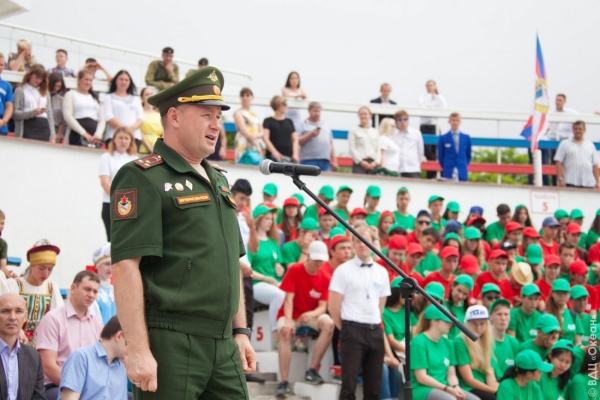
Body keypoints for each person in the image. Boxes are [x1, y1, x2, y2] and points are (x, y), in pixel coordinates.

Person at [110, 68, 255, 398]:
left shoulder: (219, 180)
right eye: (206, 115)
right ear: (174, 116)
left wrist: (240, 331)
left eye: (218, 116)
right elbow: (125, 264)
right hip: (172, 341)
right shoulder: (143, 177)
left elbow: (231, 263)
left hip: (224, 344)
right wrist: (138, 349)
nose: (216, 125)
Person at [328, 226, 395, 400]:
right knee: (348, 386)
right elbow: (333, 307)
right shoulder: (342, 270)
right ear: (353, 244)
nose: (362, 245)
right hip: (352, 329)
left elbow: (381, 305)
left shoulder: (382, 272)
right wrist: (347, 328)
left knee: (373, 388)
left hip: (374, 330)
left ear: (372, 242)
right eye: (358, 241)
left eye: (365, 240)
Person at [275, 241, 334, 396]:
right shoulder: (295, 269)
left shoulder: (326, 277)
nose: (318, 263)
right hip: (291, 314)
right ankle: (284, 381)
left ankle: (312, 369)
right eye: (316, 260)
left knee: (329, 324)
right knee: (284, 332)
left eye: (321, 260)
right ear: (308, 256)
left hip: (310, 315)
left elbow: (323, 307)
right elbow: (288, 300)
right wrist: (288, 321)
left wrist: (311, 314)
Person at [36, 271, 102, 400]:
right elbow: (48, 366)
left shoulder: (97, 323)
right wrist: (80, 389)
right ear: (73, 288)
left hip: (89, 388)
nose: (91, 295)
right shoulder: (53, 319)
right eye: (87, 289)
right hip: (55, 386)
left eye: (95, 291)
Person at [411, 305, 478, 400]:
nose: (450, 324)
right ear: (434, 321)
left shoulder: (448, 343)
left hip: (444, 387)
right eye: (447, 321)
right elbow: (421, 377)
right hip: (422, 388)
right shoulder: (419, 342)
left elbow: (451, 374)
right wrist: (447, 389)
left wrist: (456, 387)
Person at [6, 239, 64, 347]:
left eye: (50, 269)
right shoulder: (15, 285)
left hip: (43, 344)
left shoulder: (51, 288)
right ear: (32, 265)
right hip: (16, 341)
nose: (46, 273)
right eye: (41, 268)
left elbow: (58, 317)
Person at [59, 316, 128, 400]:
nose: (135, 350)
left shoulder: (123, 366)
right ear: (119, 336)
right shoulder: (81, 358)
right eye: (132, 343)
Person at [249, 205, 286, 335]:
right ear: (259, 220)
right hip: (257, 284)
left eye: (271, 219)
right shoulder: (251, 241)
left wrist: (280, 269)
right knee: (278, 295)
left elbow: (278, 264)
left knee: (292, 293)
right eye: (267, 219)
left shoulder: (272, 242)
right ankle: (275, 332)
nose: (270, 222)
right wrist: (266, 278)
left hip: (273, 282)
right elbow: (247, 269)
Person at [0, 293, 45, 399]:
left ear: (25, 317)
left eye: (18, 311)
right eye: (5, 311)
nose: (12, 317)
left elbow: (39, 397)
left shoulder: (34, 357)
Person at [98, 127, 138, 241]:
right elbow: (105, 182)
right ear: (114, 139)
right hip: (111, 204)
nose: (123, 141)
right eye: (120, 138)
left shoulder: (134, 159)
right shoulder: (106, 157)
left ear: (131, 141)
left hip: (129, 206)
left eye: (126, 138)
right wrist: (119, 200)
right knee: (113, 240)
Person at [380, 276, 416, 400]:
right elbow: (390, 339)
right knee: (395, 372)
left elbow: (414, 335)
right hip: (394, 352)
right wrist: (407, 351)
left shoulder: (409, 312)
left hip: (408, 351)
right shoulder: (385, 312)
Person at [454, 305, 498, 400]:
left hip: (483, 386)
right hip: (467, 388)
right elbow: (468, 380)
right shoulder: (460, 342)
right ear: (467, 324)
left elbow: (490, 376)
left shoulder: (486, 341)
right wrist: (495, 391)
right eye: (474, 324)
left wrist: (501, 390)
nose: (478, 328)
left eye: (482, 324)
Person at [13, 64, 55, 142]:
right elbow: (15, 114)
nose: (38, 81)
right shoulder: (20, 90)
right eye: (36, 77)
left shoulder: (45, 92)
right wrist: (33, 113)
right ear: (30, 74)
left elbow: (49, 115)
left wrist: (52, 136)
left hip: (44, 127)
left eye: (41, 79)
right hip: (28, 126)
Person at [62, 69, 105, 147]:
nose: (88, 82)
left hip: (93, 137)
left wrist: (98, 134)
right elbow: (68, 116)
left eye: (90, 80)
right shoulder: (71, 94)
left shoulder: (95, 98)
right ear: (79, 80)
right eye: (86, 79)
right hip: (76, 134)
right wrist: (83, 133)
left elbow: (102, 119)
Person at [554, 120, 600, 189]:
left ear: (584, 130)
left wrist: (597, 181)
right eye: (576, 129)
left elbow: (595, 164)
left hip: (588, 182)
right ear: (573, 130)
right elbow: (558, 162)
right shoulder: (565, 144)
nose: (578, 131)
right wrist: (560, 179)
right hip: (571, 182)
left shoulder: (590, 145)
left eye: (580, 129)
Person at [104, 70, 144, 147]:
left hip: (134, 137)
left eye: (126, 80)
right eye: (121, 79)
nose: (124, 82)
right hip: (114, 136)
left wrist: (130, 129)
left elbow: (140, 118)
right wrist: (124, 130)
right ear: (115, 81)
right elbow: (108, 116)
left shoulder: (136, 99)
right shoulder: (108, 97)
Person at [419, 80, 447, 178]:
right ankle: (433, 171)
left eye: (431, 85)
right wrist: (430, 99)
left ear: (435, 86)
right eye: (427, 86)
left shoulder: (440, 98)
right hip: (424, 126)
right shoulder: (422, 97)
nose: (429, 88)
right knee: (427, 151)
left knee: (436, 151)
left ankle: (434, 172)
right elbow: (422, 108)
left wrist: (435, 97)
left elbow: (444, 108)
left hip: (435, 126)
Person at [298, 101, 337, 172]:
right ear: (309, 111)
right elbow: (297, 141)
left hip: (325, 160)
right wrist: (310, 134)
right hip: (308, 160)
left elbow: (330, 143)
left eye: (318, 111)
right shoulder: (302, 124)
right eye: (314, 111)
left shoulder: (325, 124)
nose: (317, 113)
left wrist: (334, 160)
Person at [488, 298, 519, 381]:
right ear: (491, 317)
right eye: (499, 314)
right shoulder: (485, 342)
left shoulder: (514, 342)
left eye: (506, 314)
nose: (503, 318)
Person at [545, 278, 583, 344]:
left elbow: (578, 342)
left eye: (565, 293)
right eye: (558, 293)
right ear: (552, 294)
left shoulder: (573, 315)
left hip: (571, 349)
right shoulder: (546, 315)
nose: (562, 296)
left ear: (569, 295)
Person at [262, 95, 299, 162]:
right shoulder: (268, 121)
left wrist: (295, 154)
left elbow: (295, 139)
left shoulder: (289, 121)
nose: (286, 106)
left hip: (289, 158)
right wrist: (274, 152)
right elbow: (265, 138)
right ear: (277, 105)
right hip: (273, 158)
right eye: (284, 104)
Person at [233, 87, 266, 164]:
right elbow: (243, 130)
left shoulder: (254, 114)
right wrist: (256, 144)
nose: (245, 97)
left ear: (252, 97)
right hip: (244, 142)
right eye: (242, 95)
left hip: (255, 143)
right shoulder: (238, 112)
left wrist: (256, 138)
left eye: (247, 95)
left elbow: (262, 131)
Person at [438, 113, 472, 181]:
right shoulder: (443, 138)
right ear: (449, 122)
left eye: (457, 120)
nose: (455, 123)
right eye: (453, 120)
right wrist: (446, 165)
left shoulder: (466, 138)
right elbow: (440, 156)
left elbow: (468, 155)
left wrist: (463, 164)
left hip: (462, 171)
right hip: (448, 171)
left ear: (460, 122)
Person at [392, 110, 424, 178]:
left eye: (405, 119)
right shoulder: (393, 135)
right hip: (398, 168)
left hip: (413, 168)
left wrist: (417, 164)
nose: (403, 122)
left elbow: (420, 151)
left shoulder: (416, 133)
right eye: (400, 120)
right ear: (396, 122)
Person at [348, 106, 380, 174]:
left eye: (365, 114)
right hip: (359, 164)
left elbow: (378, 149)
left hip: (373, 164)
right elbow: (352, 148)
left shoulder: (375, 132)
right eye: (361, 114)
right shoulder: (353, 131)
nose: (363, 116)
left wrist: (375, 162)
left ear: (370, 116)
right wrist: (361, 162)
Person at [90, 243, 116, 325]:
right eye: (107, 264)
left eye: (112, 264)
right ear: (97, 265)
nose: (110, 268)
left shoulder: (114, 290)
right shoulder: (92, 290)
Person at [139, 86, 163, 154]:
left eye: (151, 94)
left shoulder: (159, 115)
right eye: (147, 94)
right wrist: (149, 147)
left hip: (158, 149)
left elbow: (163, 133)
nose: (149, 96)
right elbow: (138, 132)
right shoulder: (139, 114)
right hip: (143, 148)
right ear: (142, 98)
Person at [48, 72, 66, 143]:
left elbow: (63, 119)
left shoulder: (61, 100)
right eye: (55, 85)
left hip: (56, 130)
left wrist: (59, 134)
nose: (56, 88)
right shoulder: (42, 97)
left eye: (59, 86)